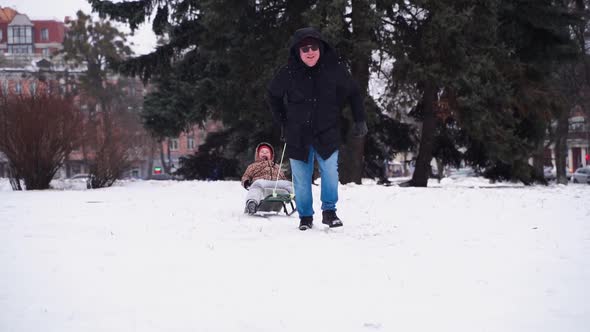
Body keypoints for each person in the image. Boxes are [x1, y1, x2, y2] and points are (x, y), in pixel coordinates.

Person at [267, 27, 368, 231]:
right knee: (302, 180)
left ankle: (329, 212)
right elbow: (272, 95)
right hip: (297, 134)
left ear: (321, 48)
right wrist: (283, 122)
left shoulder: (335, 69)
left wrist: (360, 119)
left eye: (314, 47)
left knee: (330, 172)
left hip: (327, 131)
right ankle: (305, 217)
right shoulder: (287, 73)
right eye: (305, 49)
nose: (310, 52)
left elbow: (354, 93)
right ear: (298, 52)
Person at [241, 142, 293, 215]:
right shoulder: (253, 166)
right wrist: (246, 182)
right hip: (262, 184)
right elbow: (246, 176)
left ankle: (299, 200)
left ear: (271, 155)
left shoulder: (276, 166)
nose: (264, 153)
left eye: (267, 152)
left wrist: (286, 182)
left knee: (288, 184)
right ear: (257, 154)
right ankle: (252, 202)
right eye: (262, 152)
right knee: (256, 186)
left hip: (276, 184)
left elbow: (282, 177)